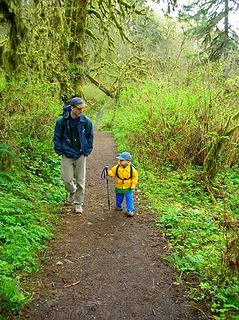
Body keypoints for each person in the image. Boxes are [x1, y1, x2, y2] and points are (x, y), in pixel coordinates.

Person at [53, 97, 94, 214]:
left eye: (82, 108)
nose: (81, 111)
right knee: (66, 179)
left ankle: (78, 204)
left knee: (81, 181)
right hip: (67, 154)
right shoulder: (61, 121)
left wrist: (86, 150)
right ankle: (72, 191)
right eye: (79, 108)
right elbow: (57, 137)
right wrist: (60, 150)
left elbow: (90, 137)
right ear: (72, 108)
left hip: (80, 154)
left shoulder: (86, 121)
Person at [107, 152, 138, 217]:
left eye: (122, 160)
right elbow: (112, 172)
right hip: (119, 186)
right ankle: (119, 206)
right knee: (119, 197)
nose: (120, 161)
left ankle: (130, 210)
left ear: (127, 161)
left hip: (128, 187)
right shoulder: (117, 167)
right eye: (120, 159)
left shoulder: (132, 169)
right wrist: (107, 173)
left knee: (129, 198)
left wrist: (133, 185)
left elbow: (135, 177)